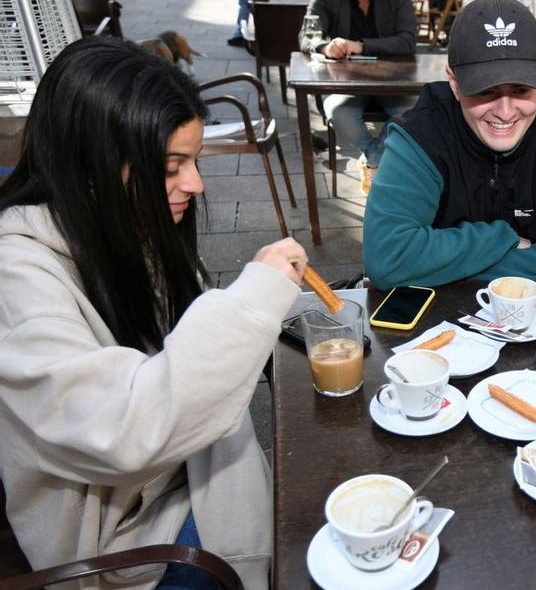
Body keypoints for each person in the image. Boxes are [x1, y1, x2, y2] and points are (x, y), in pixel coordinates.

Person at [0, 38, 310, 590]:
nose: (194, 183)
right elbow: (122, 429)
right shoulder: (17, 277)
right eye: (172, 166)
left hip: (174, 469)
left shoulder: (121, 224)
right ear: (91, 164)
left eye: (193, 160)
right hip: (114, 536)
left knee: (305, 476)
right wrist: (250, 301)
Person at [362, 0, 536, 288]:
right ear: (453, 81)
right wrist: (502, 240)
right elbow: (387, 258)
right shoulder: (420, 136)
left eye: (522, 89)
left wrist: (448, 264)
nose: (505, 112)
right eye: (485, 90)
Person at [300, 0, 418, 195]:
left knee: (417, 112)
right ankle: (377, 157)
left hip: (393, 81)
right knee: (338, 113)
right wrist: (324, 45)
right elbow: (307, 35)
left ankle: (373, 160)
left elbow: (408, 40)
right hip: (345, 82)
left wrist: (362, 45)